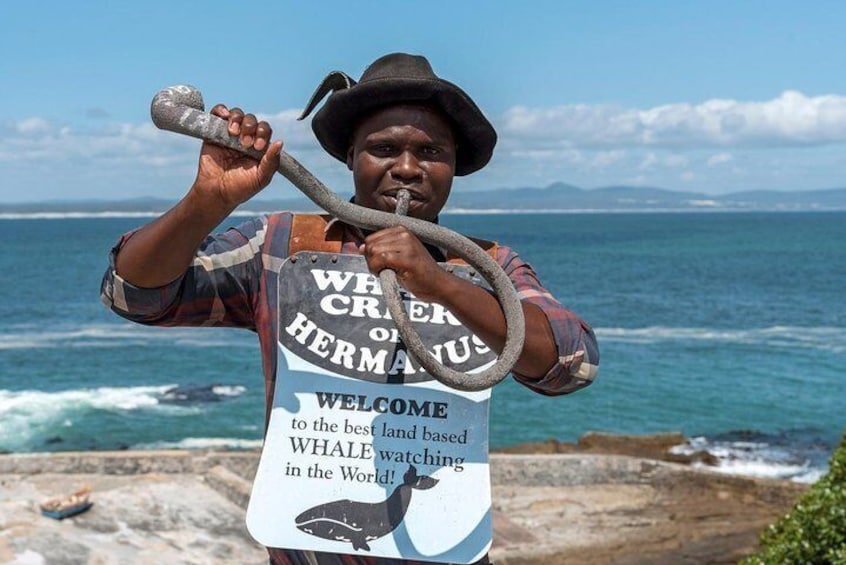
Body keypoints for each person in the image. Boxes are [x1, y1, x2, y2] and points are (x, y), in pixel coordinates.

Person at [101, 53, 599, 565]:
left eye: (431, 152)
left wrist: (440, 284)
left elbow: (570, 364)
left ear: (453, 166)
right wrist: (206, 202)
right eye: (384, 149)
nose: (407, 169)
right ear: (350, 158)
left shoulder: (487, 266)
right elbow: (134, 293)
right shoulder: (281, 245)